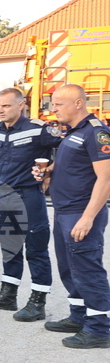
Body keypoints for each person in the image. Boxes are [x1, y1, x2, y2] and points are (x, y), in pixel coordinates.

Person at [0, 88, 61, 321]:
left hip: (28, 196)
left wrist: (50, 171)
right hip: (4, 198)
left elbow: (69, 148)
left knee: (36, 250)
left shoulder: (39, 129)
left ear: (20, 105)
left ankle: (38, 302)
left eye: (6, 106)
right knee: (10, 249)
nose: (1, 110)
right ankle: (8, 295)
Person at [36, 84, 110, 348]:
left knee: (87, 269)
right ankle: (79, 316)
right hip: (65, 210)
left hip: (81, 212)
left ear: (78, 103)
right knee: (69, 268)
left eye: (57, 104)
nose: (52, 109)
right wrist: (48, 172)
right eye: (52, 104)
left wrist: (88, 218)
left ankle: (100, 329)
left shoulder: (96, 132)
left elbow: (106, 178)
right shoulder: (73, 132)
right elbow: (74, 165)